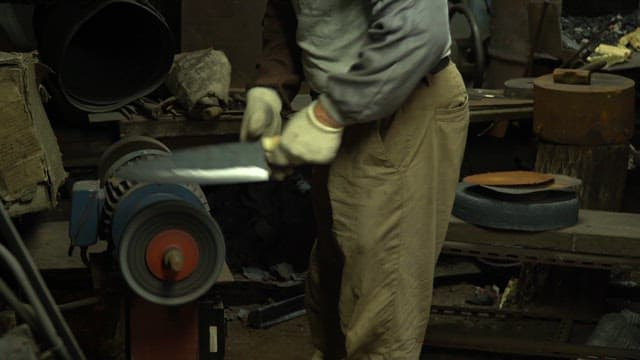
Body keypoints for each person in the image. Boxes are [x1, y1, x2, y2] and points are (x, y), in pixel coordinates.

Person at [240, 1, 469, 358]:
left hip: (400, 107)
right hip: (345, 110)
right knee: (334, 288)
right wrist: (272, 85)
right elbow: (289, 9)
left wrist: (328, 116)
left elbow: (418, 32)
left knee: (380, 309)